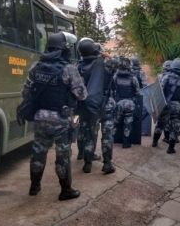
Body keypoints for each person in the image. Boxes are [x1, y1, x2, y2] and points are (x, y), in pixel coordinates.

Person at [22, 32, 87, 201]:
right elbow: (82, 95)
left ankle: (34, 187)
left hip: (40, 118)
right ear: (64, 49)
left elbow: (26, 91)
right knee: (62, 155)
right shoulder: (69, 69)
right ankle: (66, 190)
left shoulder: (35, 67)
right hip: (61, 120)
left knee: (38, 152)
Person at [76, 38, 116, 174]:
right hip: (106, 104)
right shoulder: (105, 61)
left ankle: (87, 164)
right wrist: (110, 56)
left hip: (87, 105)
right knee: (107, 135)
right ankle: (107, 164)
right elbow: (125, 64)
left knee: (89, 135)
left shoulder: (79, 66)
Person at [154, 59, 180, 154]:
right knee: (175, 127)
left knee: (160, 124)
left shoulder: (166, 77)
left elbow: (160, 91)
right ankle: (170, 148)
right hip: (178, 106)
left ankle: (154, 142)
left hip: (166, 105)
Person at [113, 57, 140, 148]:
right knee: (128, 123)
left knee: (115, 122)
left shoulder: (115, 77)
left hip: (118, 103)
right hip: (129, 103)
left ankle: (111, 139)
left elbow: (112, 90)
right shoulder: (133, 78)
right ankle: (126, 142)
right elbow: (138, 92)